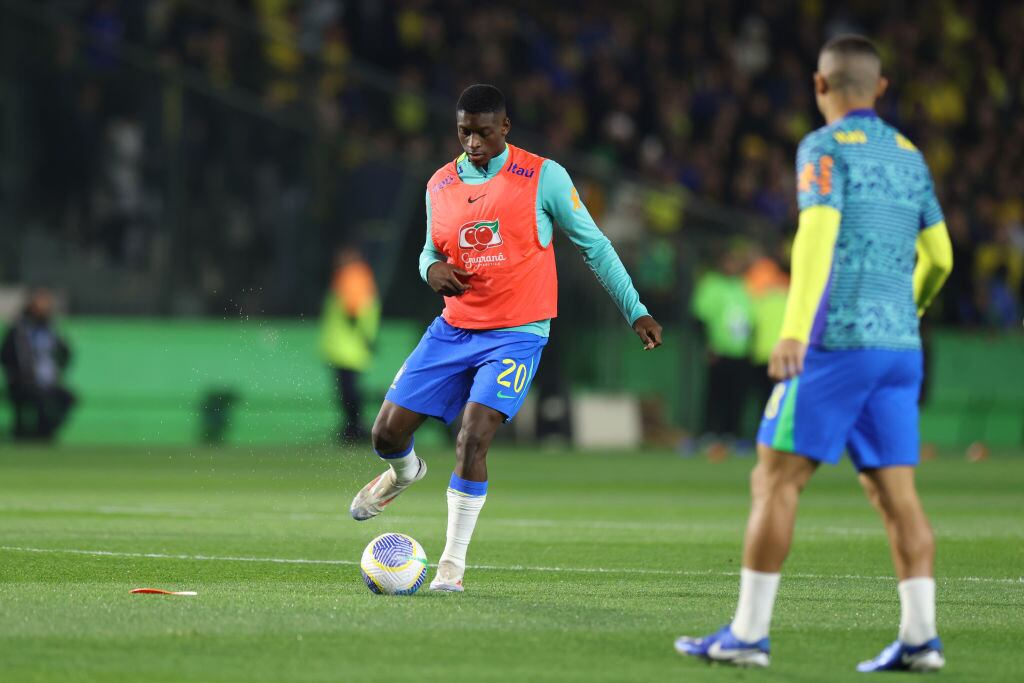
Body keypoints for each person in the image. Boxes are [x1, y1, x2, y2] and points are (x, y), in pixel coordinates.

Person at [675, 36, 953, 671]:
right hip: (899, 348)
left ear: (820, 85)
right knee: (897, 495)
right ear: (880, 89)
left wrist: (795, 330)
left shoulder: (822, 148)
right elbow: (941, 257)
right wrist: (913, 307)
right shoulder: (911, 157)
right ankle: (920, 639)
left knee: (773, 478)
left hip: (837, 344)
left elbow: (816, 236)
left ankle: (746, 634)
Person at [349, 84, 662, 592]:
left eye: (483, 131)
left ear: (506, 128)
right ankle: (405, 474)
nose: (472, 142)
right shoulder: (439, 184)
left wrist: (637, 310)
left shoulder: (544, 177)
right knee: (385, 435)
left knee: (473, 434)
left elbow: (596, 246)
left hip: (517, 333)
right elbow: (428, 251)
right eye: (464, 132)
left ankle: (451, 566)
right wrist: (432, 271)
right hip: (453, 328)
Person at [690, 243, 754, 454]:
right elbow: (700, 317)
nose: (732, 266)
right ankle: (709, 435)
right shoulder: (711, 285)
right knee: (714, 396)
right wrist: (708, 344)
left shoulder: (743, 286)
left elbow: (751, 318)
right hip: (719, 351)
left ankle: (732, 436)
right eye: (729, 261)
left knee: (737, 397)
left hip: (741, 352)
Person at [319, 246, 380, 443]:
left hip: (347, 347)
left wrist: (363, 336)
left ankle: (354, 428)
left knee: (348, 392)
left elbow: (353, 309)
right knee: (349, 391)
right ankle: (354, 427)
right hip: (349, 346)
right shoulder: (358, 275)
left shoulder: (351, 275)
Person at [1, 289, 76, 441]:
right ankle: (28, 434)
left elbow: (65, 354)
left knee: (67, 398)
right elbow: (6, 355)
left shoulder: (51, 331)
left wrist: (58, 368)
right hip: (22, 382)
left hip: (48, 382)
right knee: (39, 398)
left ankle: (44, 433)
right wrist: (19, 374)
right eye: (39, 307)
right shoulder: (18, 331)